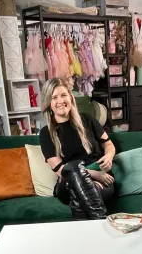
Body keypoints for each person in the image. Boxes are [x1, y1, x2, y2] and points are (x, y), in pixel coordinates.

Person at [39, 78, 117, 218]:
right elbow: (61, 170)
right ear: (49, 103)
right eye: (54, 97)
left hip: (101, 179)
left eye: (63, 95)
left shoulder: (87, 119)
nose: (60, 101)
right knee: (72, 168)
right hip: (68, 181)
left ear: (71, 97)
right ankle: (101, 220)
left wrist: (109, 156)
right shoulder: (46, 133)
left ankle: (89, 230)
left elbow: (108, 144)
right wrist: (94, 175)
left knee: (81, 197)